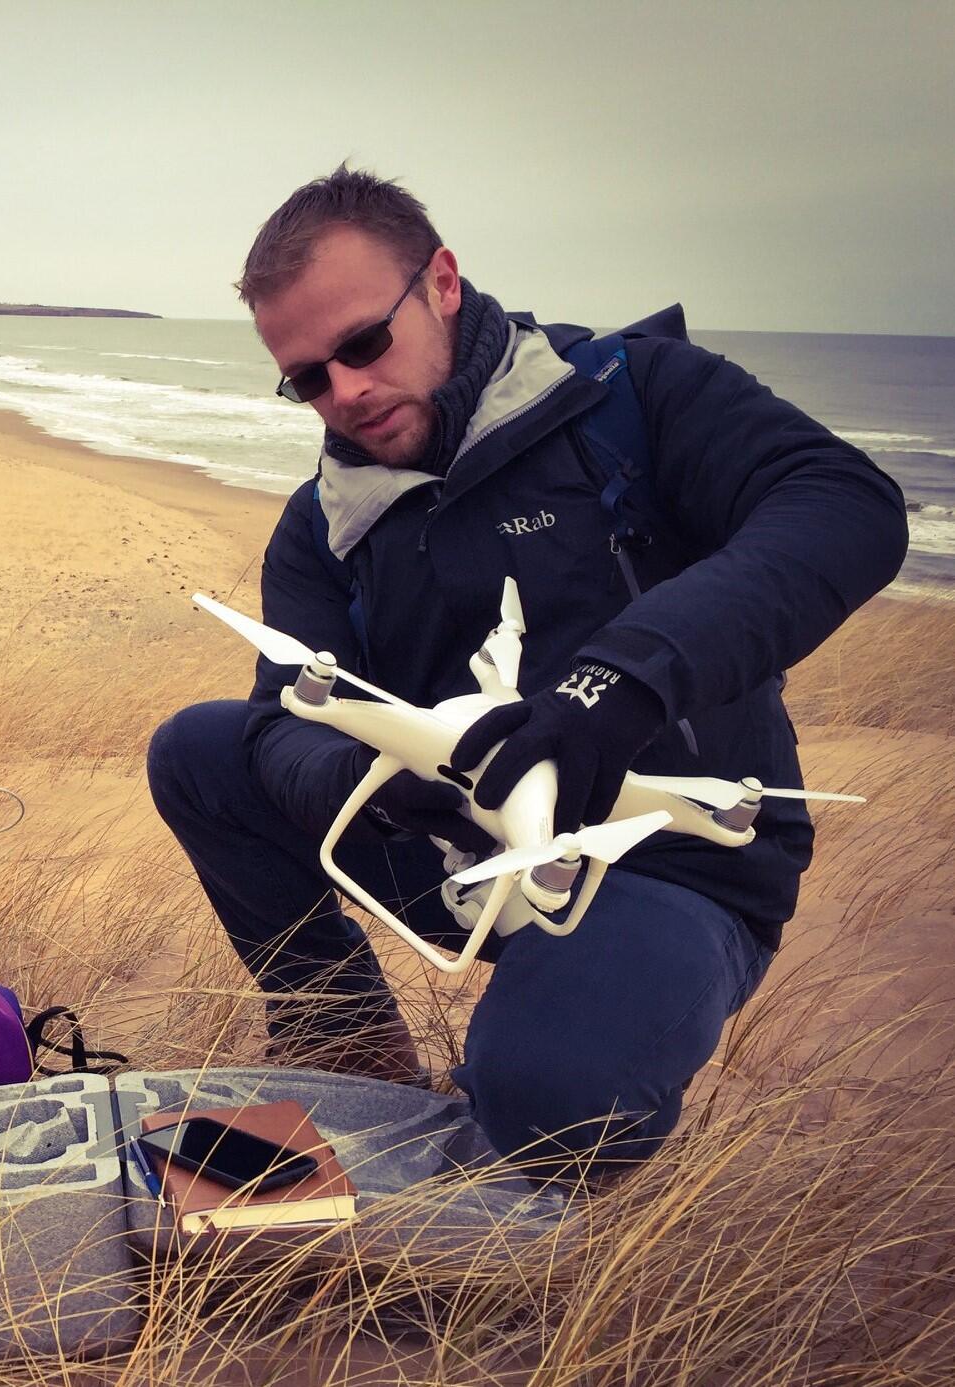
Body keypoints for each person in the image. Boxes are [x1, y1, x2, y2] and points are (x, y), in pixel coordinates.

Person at [147, 166, 907, 1181]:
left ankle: (555, 1054)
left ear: (444, 282)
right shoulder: (325, 522)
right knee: (200, 753)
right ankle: (348, 1045)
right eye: (309, 379)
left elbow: (845, 505)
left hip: (664, 859)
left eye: (364, 344)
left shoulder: (634, 400)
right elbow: (279, 722)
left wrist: (622, 684)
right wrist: (373, 784)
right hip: (456, 849)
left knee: (548, 1102)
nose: (346, 393)